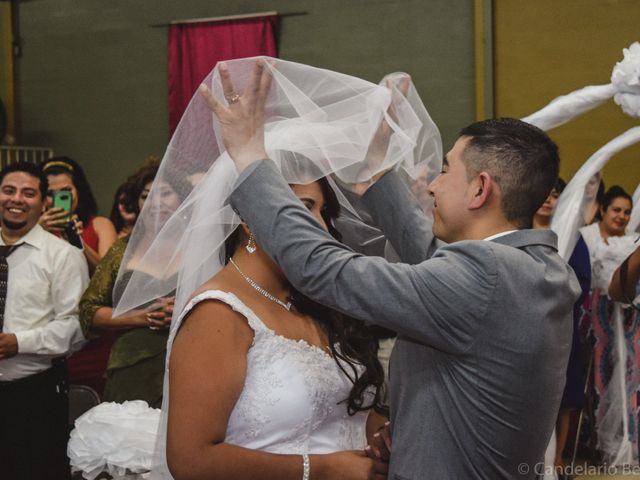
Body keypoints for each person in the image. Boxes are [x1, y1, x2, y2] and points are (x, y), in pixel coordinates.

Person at [199, 60, 582, 479]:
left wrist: (250, 156)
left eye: (446, 169)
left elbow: (326, 270)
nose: (434, 184)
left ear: (480, 188)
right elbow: (433, 256)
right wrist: (374, 173)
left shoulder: (485, 275)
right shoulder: (542, 269)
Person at [166, 176, 389, 480]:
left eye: (323, 212)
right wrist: (323, 469)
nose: (321, 227)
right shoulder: (218, 312)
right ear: (250, 218)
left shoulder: (317, 304)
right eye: (304, 207)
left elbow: (348, 414)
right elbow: (190, 461)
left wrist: (383, 440)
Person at [0, 161, 88, 480]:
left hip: (33, 395)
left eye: (28, 193)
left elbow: (76, 328)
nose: (16, 199)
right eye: (9, 190)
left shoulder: (63, 256)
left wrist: (18, 343)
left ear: (43, 202)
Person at [79, 164, 175, 407]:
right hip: (131, 365)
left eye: (165, 193)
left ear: (184, 198)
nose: (156, 202)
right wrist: (144, 317)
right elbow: (89, 311)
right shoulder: (121, 250)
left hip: (188, 360)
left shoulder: (204, 248)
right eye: (146, 196)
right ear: (138, 204)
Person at [534, 178, 591, 472]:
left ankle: (558, 457)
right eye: (544, 193)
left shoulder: (570, 235)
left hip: (560, 322)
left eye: (555, 195)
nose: (548, 199)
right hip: (526, 325)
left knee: (564, 392)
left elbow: (582, 278)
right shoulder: (519, 227)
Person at [578, 185, 637, 464]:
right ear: (602, 209)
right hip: (595, 315)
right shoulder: (587, 238)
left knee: (628, 375)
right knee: (596, 375)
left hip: (628, 319)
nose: (622, 217)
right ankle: (592, 442)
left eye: (627, 212)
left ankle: (626, 438)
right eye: (617, 210)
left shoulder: (632, 242)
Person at [40, 156, 117, 271]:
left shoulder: (100, 225)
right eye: (50, 193)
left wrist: (77, 241)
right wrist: (37, 232)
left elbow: (107, 276)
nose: (59, 198)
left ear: (78, 191)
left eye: (66, 191)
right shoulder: (34, 227)